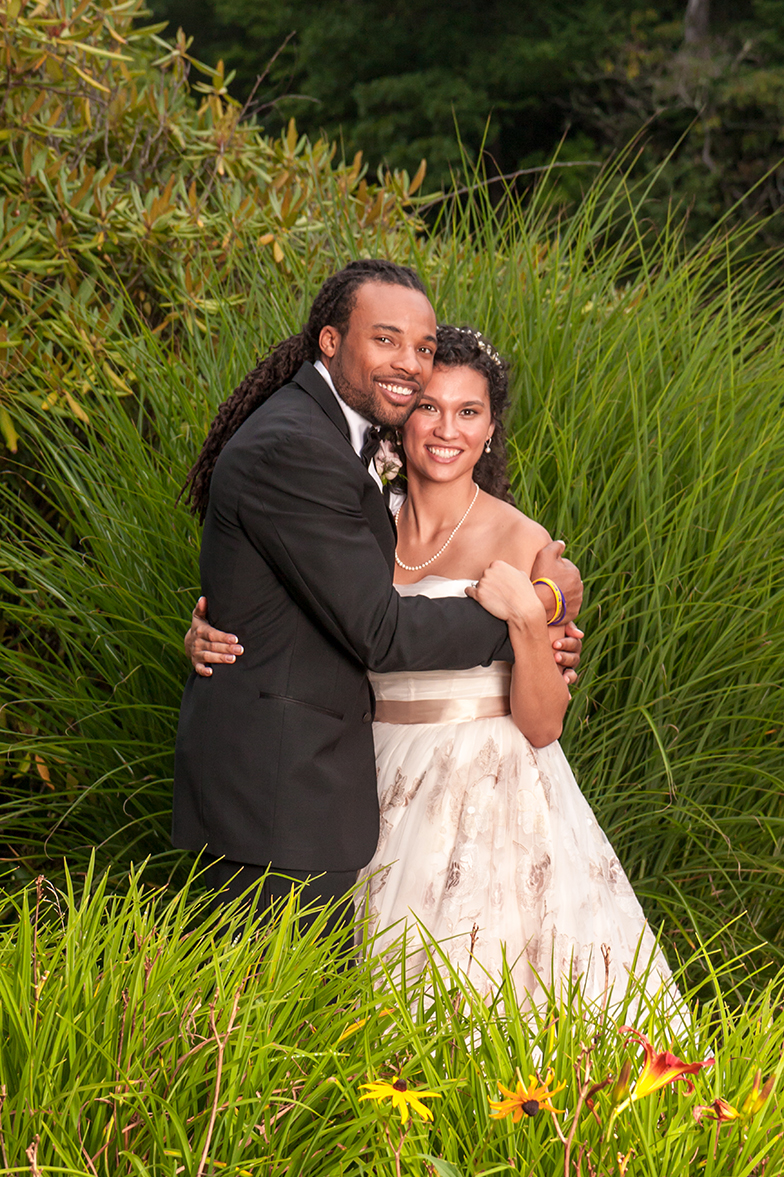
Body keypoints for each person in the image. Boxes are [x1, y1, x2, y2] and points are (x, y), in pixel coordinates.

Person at [187, 323, 679, 1012]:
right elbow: (305, 624)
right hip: (365, 775)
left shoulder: (523, 541)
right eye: (429, 407)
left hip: (489, 791)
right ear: (400, 418)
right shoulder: (359, 522)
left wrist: (532, 616)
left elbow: (542, 725)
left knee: (477, 994)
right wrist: (210, 630)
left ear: (489, 431)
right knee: (361, 996)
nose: (446, 428)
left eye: (468, 411)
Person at [173, 261, 583, 933]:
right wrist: (531, 609)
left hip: (388, 793)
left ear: (488, 430)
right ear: (331, 342)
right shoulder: (306, 452)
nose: (410, 364)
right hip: (289, 799)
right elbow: (380, 630)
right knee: (269, 1013)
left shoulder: (346, 456)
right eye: (386, 340)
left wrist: (534, 634)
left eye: (422, 348)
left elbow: (295, 595)